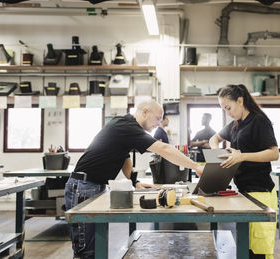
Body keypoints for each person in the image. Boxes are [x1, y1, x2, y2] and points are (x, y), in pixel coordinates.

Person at [64, 100, 204, 259]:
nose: (158, 124)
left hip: (93, 185)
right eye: (157, 118)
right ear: (145, 112)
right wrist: (196, 166)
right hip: (84, 186)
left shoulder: (125, 125)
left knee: (96, 247)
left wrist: (134, 181)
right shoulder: (128, 126)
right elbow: (163, 149)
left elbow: (124, 157)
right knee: (86, 251)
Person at [209, 84, 279, 259]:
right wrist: (218, 153)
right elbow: (214, 138)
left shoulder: (259, 121)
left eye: (228, 108)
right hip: (244, 192)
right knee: (246, 249)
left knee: (259, 251)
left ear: (240, 101)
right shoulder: (235, 125)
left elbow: (274, 153)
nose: (227, 113)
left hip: (261, 193)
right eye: (224, 109)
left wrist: (242, 156)